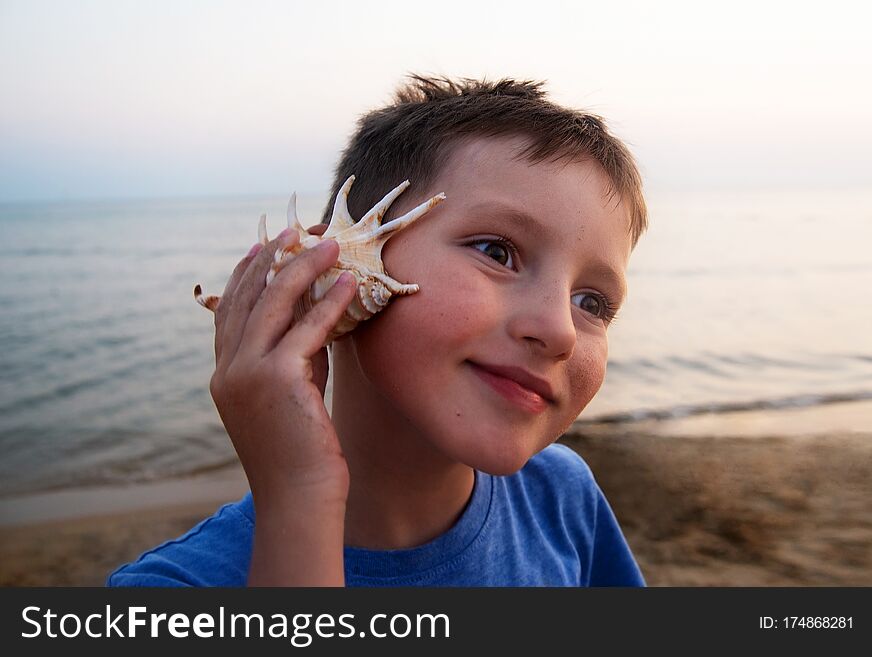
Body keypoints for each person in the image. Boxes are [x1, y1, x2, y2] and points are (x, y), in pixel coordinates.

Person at [107, 75, 648, 587]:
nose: (559, 330)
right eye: (496, 252)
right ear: (331, 262)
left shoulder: (563, 496)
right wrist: (299, 496)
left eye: (592, 303)